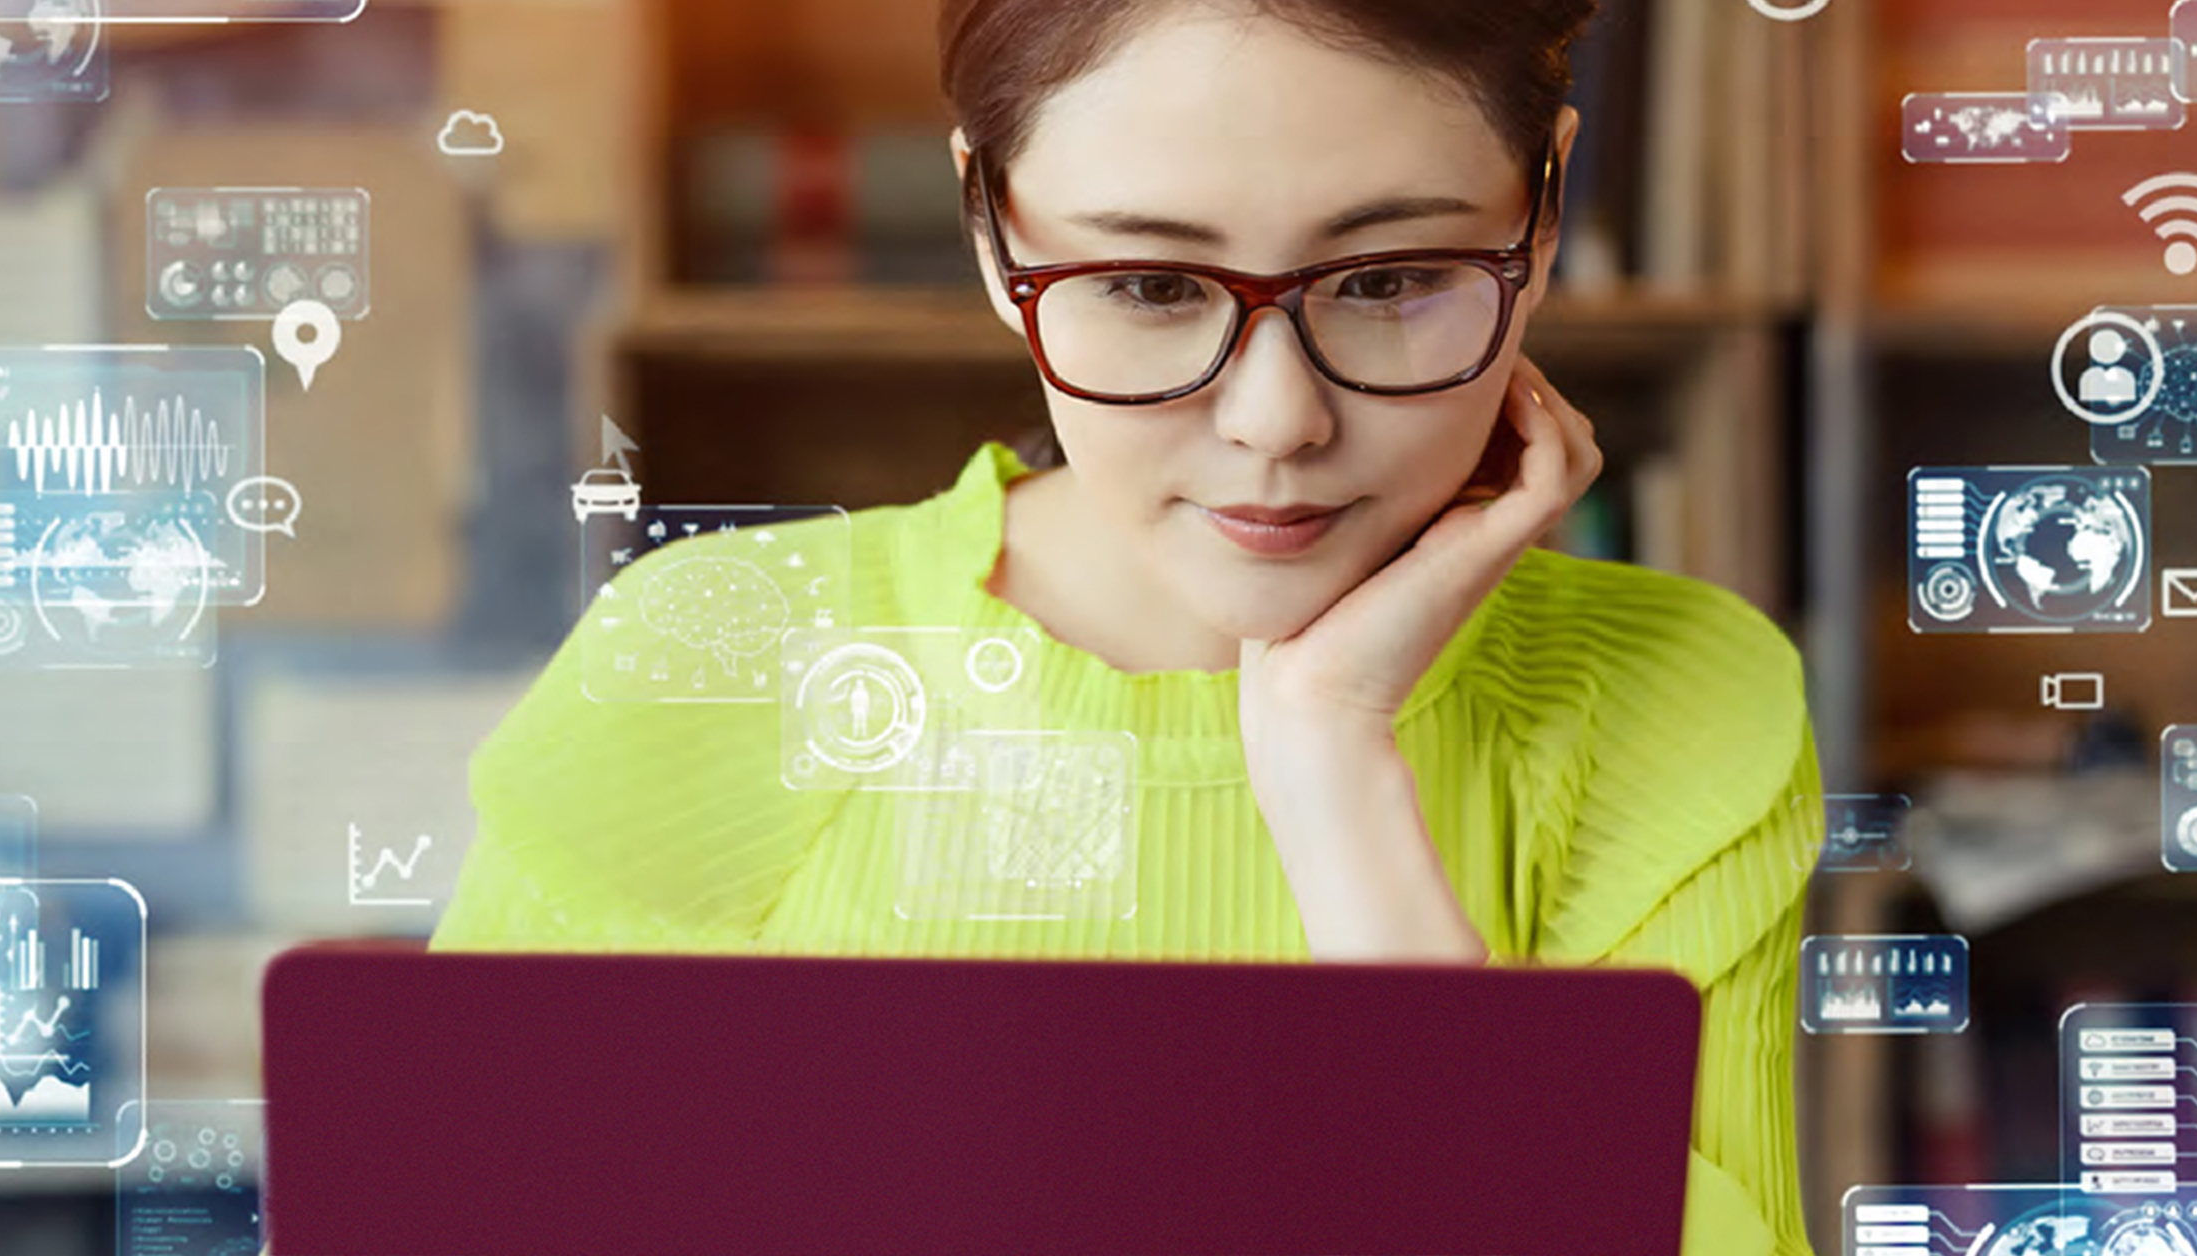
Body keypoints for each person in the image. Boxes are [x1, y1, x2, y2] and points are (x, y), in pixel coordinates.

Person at [433, 1, 1823, 1251]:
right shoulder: (715, 664)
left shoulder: (1676, 705)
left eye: (1390, 279)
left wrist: (1337, 776)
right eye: (1153, 287)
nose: (1276, 422)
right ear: (992, 230)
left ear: (1546, 205)